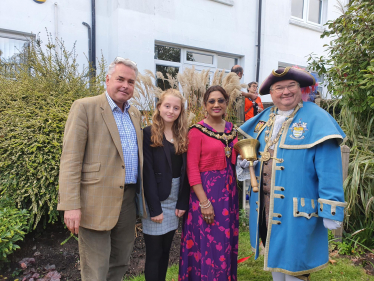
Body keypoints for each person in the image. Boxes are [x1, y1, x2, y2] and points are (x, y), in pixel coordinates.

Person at [236, 67, 347, 281]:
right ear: (271, 92)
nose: (285, 92)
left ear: (300, 89)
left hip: (298, 209)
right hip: (266, 207)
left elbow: (329, 169)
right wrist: (246, 163)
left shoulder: (317, 119)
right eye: (279, 88)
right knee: (275, 257)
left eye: (291, 86)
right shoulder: (265, 118)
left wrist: (331, 208)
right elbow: (258, 156)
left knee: (296, 266)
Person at [57, 57, 146, 281]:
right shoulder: (85, 107)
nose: (126, 85)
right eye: (120, 79)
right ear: (107, 80)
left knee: (120, 261)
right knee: (95, 269)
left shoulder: (135, 114)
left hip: (127, 200)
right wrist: (70, 205)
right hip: (94, 201)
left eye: (131, 82)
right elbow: (70, 159)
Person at [179, 85, 239, 281]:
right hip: (206, 193)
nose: (216, 104)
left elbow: (237, 161)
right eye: (211, 101)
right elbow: (192, 169)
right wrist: (204, 202)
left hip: (228, 194)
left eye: (220, 100)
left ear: (226, 103)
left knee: (225, 240)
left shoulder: (233, 130)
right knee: (208, 243)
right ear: (205, 105)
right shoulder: (196, 131)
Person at [142, 89, 190, 281]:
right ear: (159, 107)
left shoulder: (183, 134)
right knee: (154, 254)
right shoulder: (148, 133)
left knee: (165, 251)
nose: (171, 111)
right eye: (167, 106)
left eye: (176, 108)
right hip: (156, 199)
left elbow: (186, 171)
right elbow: (147, 173)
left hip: (175, 198)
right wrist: (154, 209)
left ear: (180, 111)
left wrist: (182, 202)